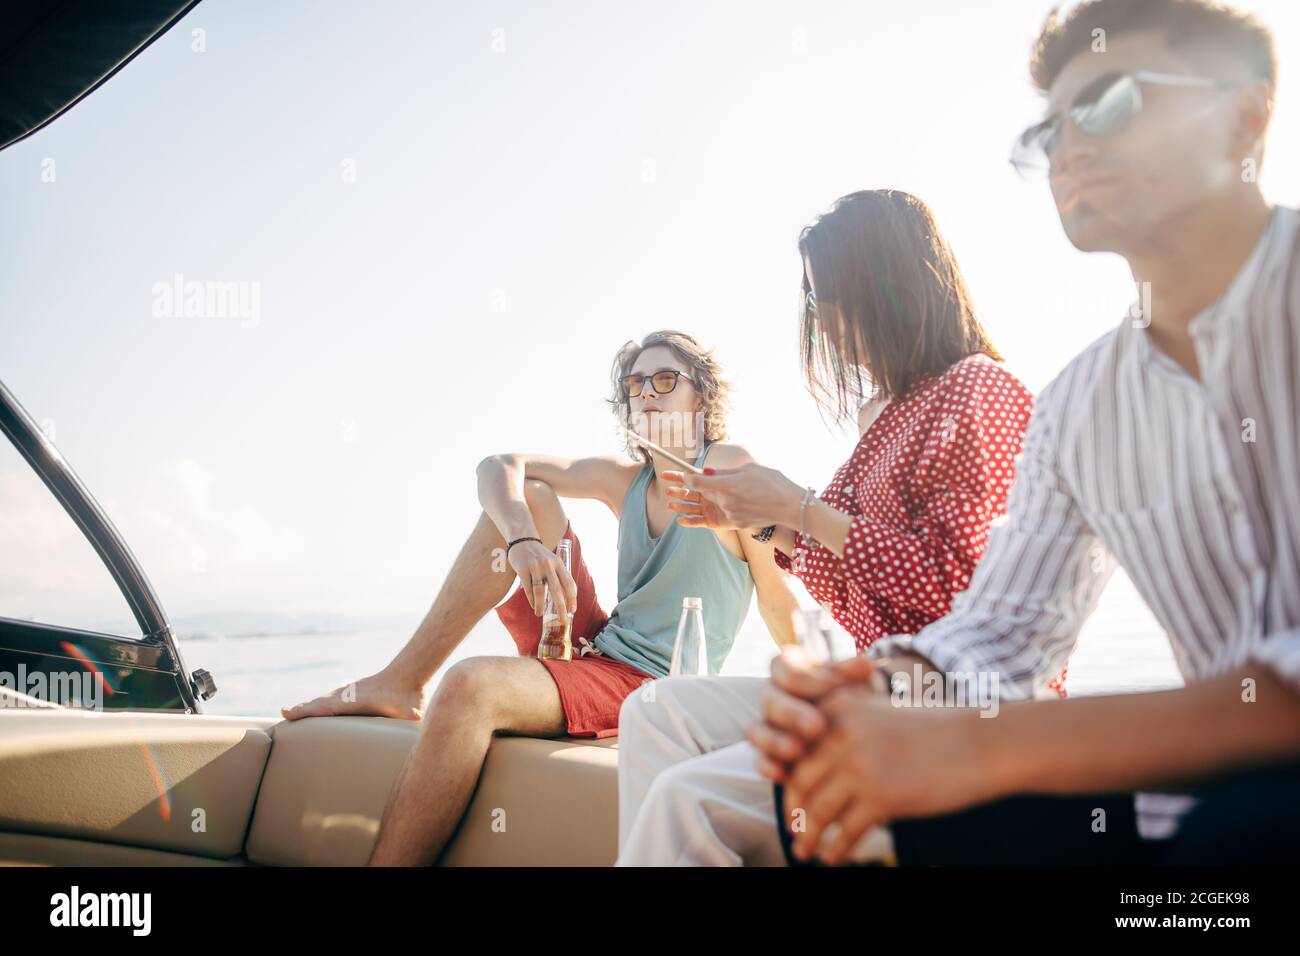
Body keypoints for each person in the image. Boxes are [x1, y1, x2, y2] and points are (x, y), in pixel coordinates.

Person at [749, 0, 1300, 866]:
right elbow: (999, 632)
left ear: (1243, 114)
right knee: (829, 788)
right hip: (1197, 807)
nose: (1069, 149)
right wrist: (877, 687)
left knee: (1240, 833)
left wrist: (981, 747)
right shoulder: (1084, 402)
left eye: (1108, 104)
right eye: (1049, 134)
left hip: (1248, 818)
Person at [615, 190, 1038, 865]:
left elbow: (957, 585)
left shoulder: (977, 390)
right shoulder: (891, 414)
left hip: (951, 702)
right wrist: (757, 519)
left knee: (686, 798)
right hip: (883, 685)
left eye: (828, 299)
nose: (822, 326)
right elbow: (841, 571)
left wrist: (799, 508)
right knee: (656, 710)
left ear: (882, 288)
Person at [281, 329, 800, 865]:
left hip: (648, 682)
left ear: (702, 396)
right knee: (524, 496)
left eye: (666, 379)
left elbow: (776, 600)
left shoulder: (727, 466)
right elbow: (496, 465)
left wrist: (818, 692)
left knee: (470, 686)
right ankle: (402, 681)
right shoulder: (624, 479)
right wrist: (524, 540)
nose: (647, 393)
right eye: (635, 383)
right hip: (595, 643)